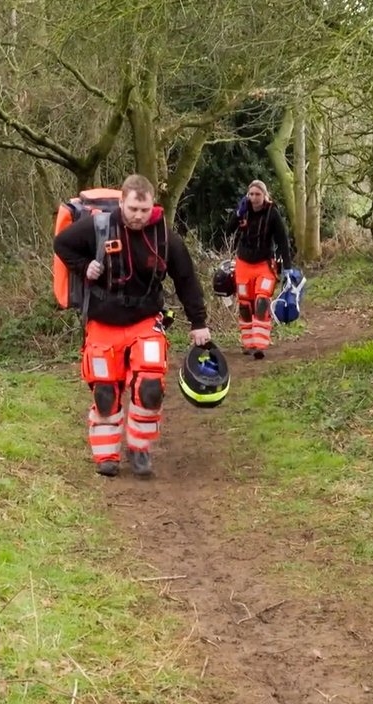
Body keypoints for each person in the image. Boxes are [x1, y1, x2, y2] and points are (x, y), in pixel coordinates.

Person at [53, 174, 211, 478]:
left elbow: (186, 279)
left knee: (150, 388)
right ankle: (106, 456)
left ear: (153, 205)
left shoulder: (165, 236)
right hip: (103, 323)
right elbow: (62, 244)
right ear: (121, 203)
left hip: (145, 320)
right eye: (132, 209)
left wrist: (199, 322)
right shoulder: (97, 227)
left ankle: (139, 448)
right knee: (105, 393)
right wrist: (84, 267)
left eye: (144, 209)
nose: (138, 216)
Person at [223, 180, 293, 359]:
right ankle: (248, 343)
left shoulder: (272, 213)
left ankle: (260, 344)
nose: (254, 198)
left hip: (264, 265)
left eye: (258, 194)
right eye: (251, 194)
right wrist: (237, 215)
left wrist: (287, 268)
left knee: (262, 301)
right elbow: (228, 230)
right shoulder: (243, 211)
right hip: (243, 265)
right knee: (245, 304)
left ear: (264, 195)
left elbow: (283, 241)